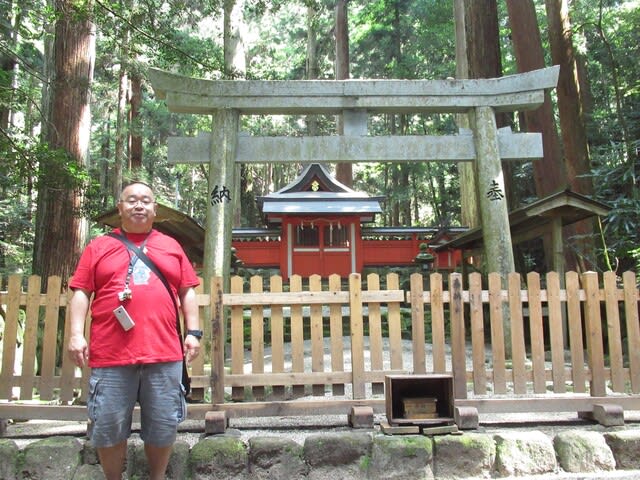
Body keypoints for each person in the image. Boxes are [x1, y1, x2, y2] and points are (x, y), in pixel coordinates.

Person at [68, 181, 202, 480]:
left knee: (163, 425)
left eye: (145, 200)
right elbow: (81, 291)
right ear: (120, 208)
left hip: (164, 352)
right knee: (107, 426)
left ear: (155, 209)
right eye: (131, 200)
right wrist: (76, 334)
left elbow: (187, 291)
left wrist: (194, 332)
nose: (139, 205)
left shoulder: (170, 245)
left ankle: (156, 477)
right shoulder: (99, 246)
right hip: (110, 354)